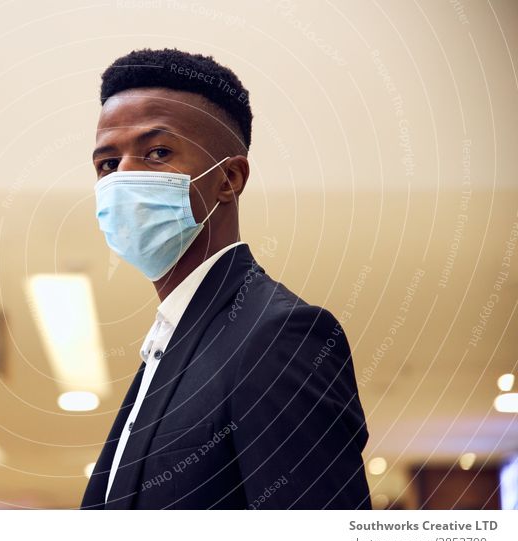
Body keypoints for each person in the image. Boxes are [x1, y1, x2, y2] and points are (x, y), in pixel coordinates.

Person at [81, 48, 371, 509]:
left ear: (229, 178)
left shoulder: (276, 335)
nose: (124, 177)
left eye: (157, 152)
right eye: (107, 164)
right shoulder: (171, 341)